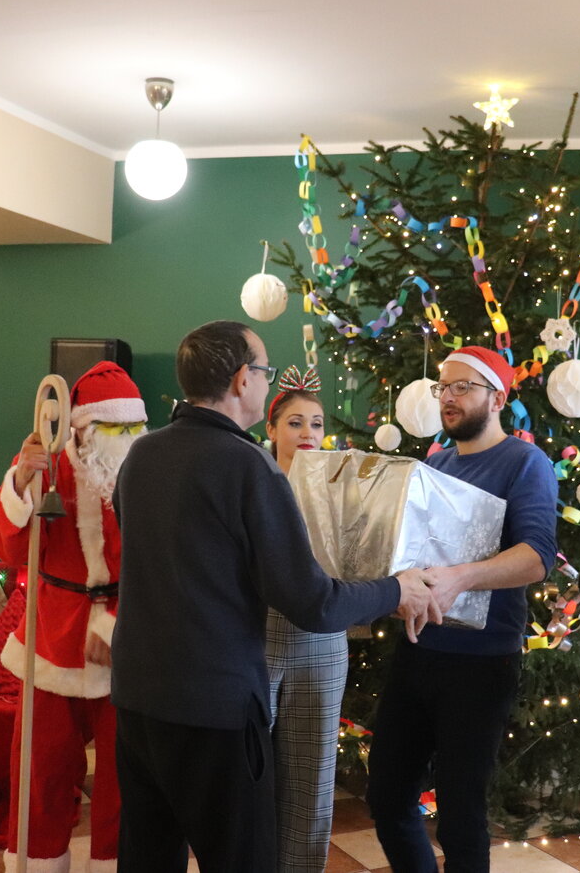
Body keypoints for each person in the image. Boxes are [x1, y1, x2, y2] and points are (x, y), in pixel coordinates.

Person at [110, 320, 439, 873]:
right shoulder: (247, 463)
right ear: (243, 379)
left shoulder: (142, 454)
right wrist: (396, 589)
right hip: (212, 705)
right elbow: (312, 602)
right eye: (263, 371)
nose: (265, 382)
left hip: (137, 697)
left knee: (147, 856)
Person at [366, 345, 559, 872]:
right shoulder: (436, 464)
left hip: (481, 664)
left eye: (462, 387)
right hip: (417, 651)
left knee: (460, 816)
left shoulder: (525, 462)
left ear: (497, 398)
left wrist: (460, 578)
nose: (447, 398)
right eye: (442, 387)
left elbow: (537, 556)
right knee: (386, 796)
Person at [0, 360, 146, 873]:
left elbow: (163, 564)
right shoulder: (47, 465)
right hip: (52, 639)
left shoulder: (151, 475)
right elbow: (8, 548)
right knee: (42, 771)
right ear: (81, 428)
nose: (128, 439)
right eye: (115, 429)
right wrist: (20, 480)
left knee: (126, 776)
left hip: (128, 640)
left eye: (135, 427)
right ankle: (37, 862)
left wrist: (117, 622)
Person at [259, 364, 346, 872]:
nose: (307, 433)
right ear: (271, 429)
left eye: (316, 423)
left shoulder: (340, 488)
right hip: (256, 635)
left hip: (322, 640)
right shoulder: (253, 481)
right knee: (247, 769)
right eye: (295, 423)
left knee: (311, 779)